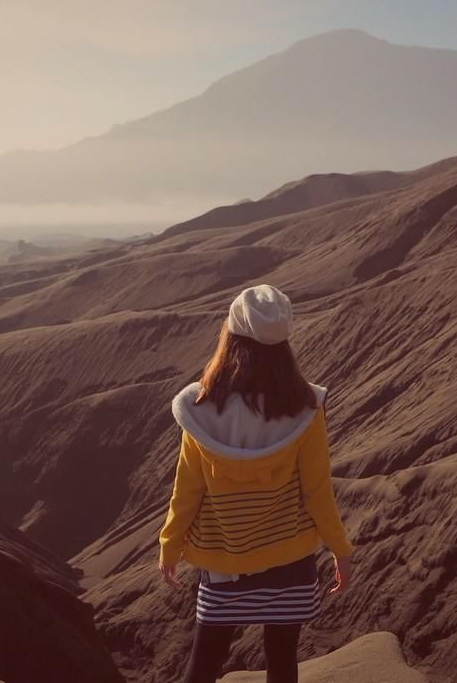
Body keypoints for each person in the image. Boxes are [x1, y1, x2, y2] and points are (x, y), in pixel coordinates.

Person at [158, 283, 354, 683]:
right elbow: (317, 490)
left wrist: (170, 544)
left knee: (204, 662)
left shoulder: (201, 411)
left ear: (229, 338)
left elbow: (187, 489)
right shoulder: (303, 409)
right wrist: (340, 549)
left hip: (224, 563)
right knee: (282, 660)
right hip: (290, 560)